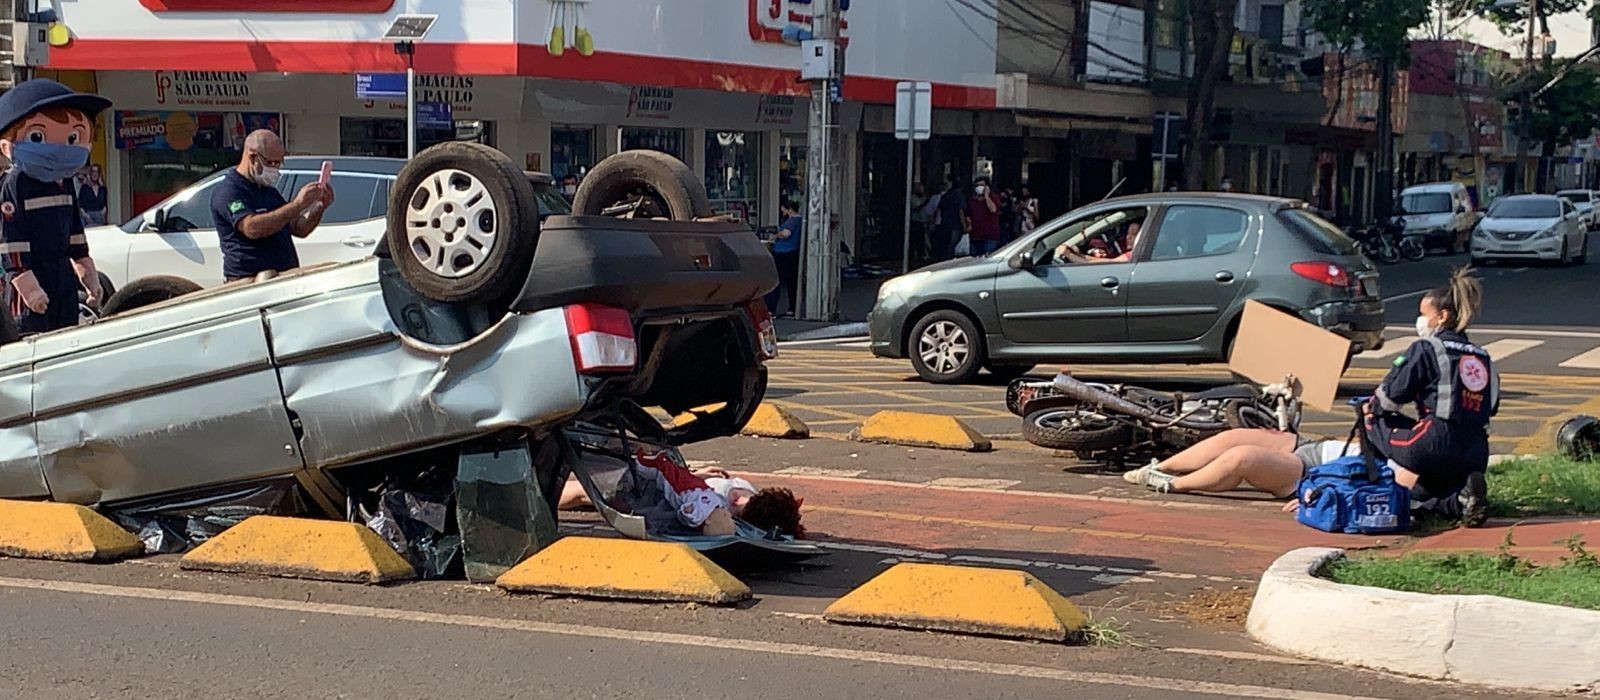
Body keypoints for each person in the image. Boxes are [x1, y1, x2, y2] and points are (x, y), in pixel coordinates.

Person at [1123, 269, 1496, 527]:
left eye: (1424, 315)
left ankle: (1171, 483)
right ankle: (1159, 468)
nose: (1420, 321)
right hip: (1331, 449)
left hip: (1324, 471)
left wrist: (1320, 493)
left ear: (1441, 316)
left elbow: (1390, 397)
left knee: (1242, 457)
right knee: (1232, 437)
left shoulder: (1417, 456)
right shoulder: (1480, 358)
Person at [0, 79, 111, 335]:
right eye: (38, 137)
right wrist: (27, 285)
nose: (61, 149)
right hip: (29, 281)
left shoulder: (64, 182)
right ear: (7, 146)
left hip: (62, 278)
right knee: (32, 340)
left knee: (66, 335)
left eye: (73, 138)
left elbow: (74, 231)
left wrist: (87, 270)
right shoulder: (15, 183)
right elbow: (10, 240)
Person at [557, 453, 805, 538]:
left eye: (740, 507)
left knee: (586, 491)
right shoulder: (743, 494)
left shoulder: (728, 510)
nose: (738, 501)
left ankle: (547, 493)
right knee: (588, 486)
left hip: (654, 495)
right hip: (663, 485)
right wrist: (699, 474)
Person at [211, 130, 333, 282]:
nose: (275, 168)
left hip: (283, 277)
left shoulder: (269, 192)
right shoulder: (229, 191)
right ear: (252, 157)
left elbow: (298, 228)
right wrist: (297, 204)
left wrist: (318, 207)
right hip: (249, 281)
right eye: (271, 163)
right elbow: (251, 227)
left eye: (279, 163)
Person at [764, 200, 803, 317]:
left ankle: (771, 308)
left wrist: (776, 236)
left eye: (784, 209)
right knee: (792, 282)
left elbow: (786, 234)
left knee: (775, 281)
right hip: (792, 253)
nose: (782, 212)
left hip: (784, 253)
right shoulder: (800, 221)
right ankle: (792, 308)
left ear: (789, 209)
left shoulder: (792, 221)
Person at [1057, 219, 1142, 264]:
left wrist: (1069, 255)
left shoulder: (1134, 255)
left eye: (1134, 233)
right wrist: (1080, 255)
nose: (1128, 237)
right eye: (1127, 233)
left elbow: (1110, 263)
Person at [931, 177, 966, 261]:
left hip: (944, 224)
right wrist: (964, 225)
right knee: (952, 246)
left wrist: (933, 222)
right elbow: (960, 211)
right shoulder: (959, 196)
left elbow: (938, 210)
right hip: (955, 226)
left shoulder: (946, 195)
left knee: (945, 246)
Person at [966, 177, 1002, 255]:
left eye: (981, 185)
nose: (979, 187)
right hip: (975, 236)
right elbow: (968, 215)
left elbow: (993, 209)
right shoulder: (971, 200)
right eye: (977, 185)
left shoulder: (993, 197)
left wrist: (987, 196)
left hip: (990, 236)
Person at [909, 182, 933, 266]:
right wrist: (924, 203)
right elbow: (916, 208)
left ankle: (921, 257)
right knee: (914, 241)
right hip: (915, 222)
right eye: (920, 189)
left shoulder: (925, 198)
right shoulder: (913, 198)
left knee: (922, 242)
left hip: (923, 222)